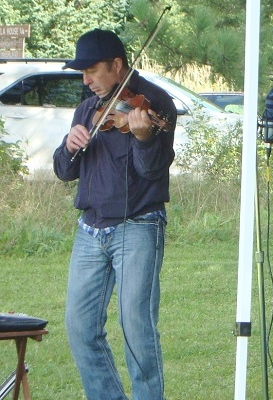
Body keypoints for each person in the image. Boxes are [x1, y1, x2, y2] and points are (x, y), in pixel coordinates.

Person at [53, 29, 177, 400]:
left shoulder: (154, 103)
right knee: (79, 327)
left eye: (92, 71)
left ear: (117, 65)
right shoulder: (87, 108)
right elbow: (64, 171)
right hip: (90, 228)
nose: (86, 80)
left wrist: (143, 138)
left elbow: (154, 173)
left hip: (138, 226)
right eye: (83, 73)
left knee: (137, 329)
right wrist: (68, 146)